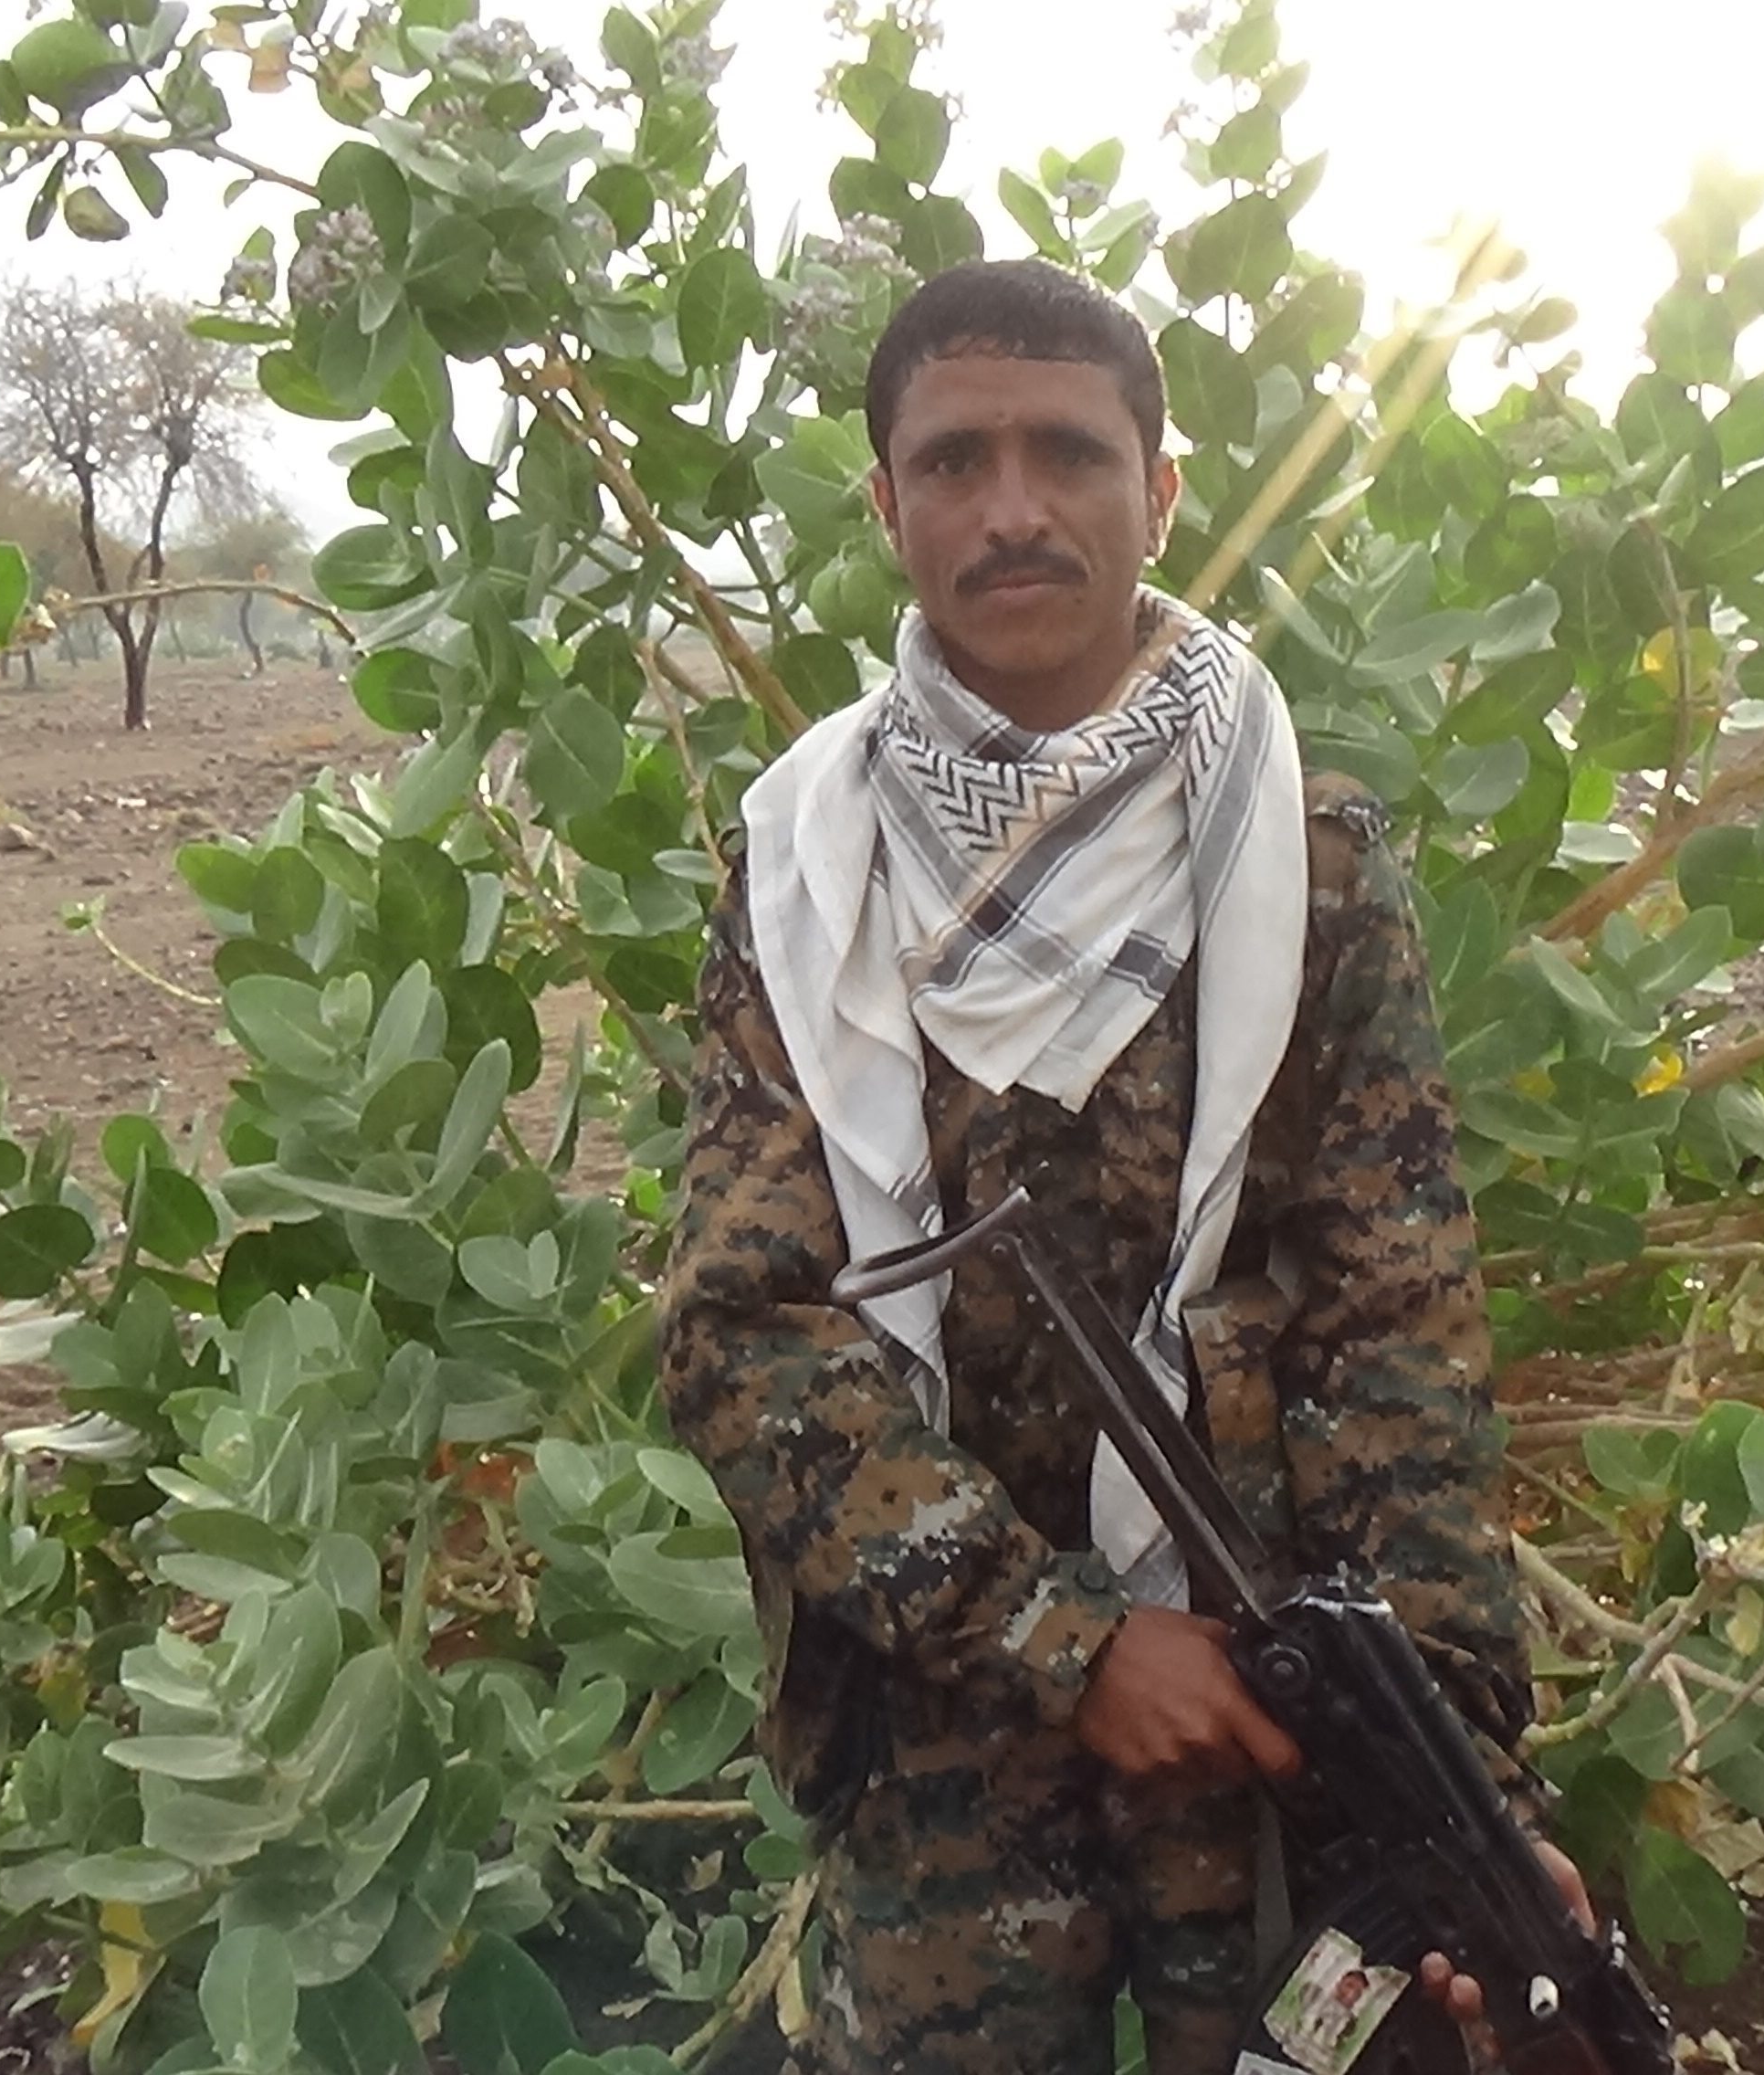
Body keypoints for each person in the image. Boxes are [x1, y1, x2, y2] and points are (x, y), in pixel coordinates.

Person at [659, 257, 1582, 2075]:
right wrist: (1064, 1638)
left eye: (1069, 453)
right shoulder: (807, 865)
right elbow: (742, 1335)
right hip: (946, 1727)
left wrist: (1461, 1781)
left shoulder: (1305, 859)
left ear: (1157, 491)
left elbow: (1398, 1334)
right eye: (955, 460)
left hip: (1266, 1702)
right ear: (888, 506)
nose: (1012, 509)